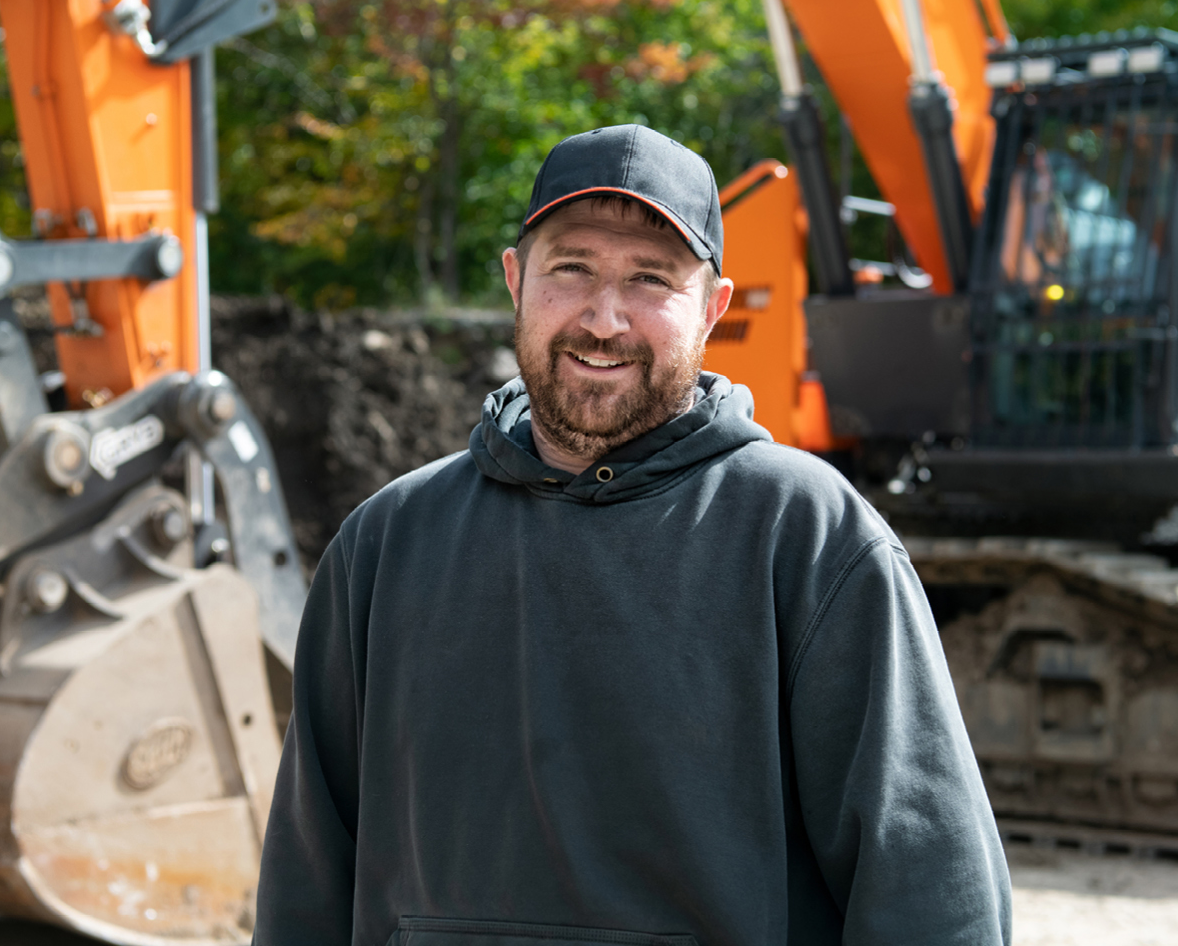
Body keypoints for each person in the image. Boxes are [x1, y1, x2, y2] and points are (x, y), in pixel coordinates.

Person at [254, 124, 1012, 945]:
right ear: (516, 280)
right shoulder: (387, 543)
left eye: (650, 279)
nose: (603, 319)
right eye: (570, 268)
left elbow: (930, 888)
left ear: (712, 307)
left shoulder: (807, 538)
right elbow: (308, 876)